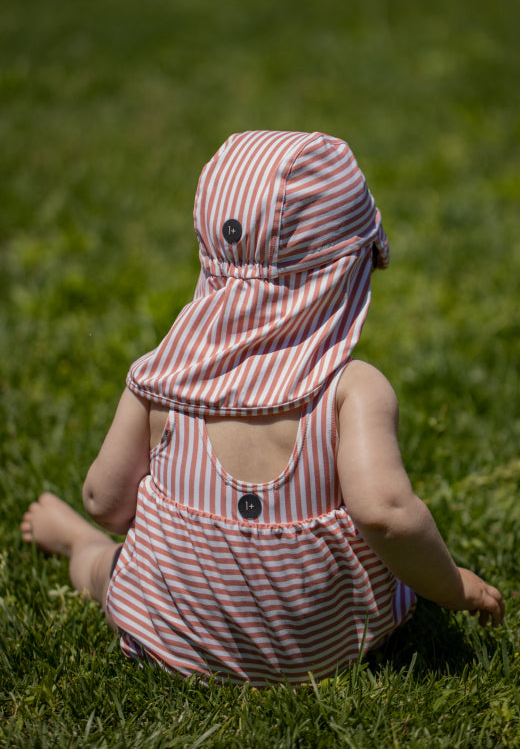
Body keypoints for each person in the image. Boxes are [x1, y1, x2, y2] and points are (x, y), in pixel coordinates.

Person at [21, 131, 505, 686]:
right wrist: (455, 586)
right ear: (348, 269)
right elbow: (387, 515)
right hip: (324, 650)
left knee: (108, 565)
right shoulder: (352, 389)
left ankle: (78, 546)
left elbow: (104, 501)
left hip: (172, 632)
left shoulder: (164, 375)